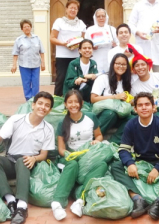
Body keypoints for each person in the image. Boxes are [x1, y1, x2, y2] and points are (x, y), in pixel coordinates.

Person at [110, 92, 159, 220]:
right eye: (140, 105)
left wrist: (157, 169)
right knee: (116, 166)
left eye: (147, 104)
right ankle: (138, 199)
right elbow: (123, 150)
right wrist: (130, 164)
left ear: (154, 107)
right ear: (135, 109)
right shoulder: (131, 125)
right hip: (140, 161)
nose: (144, 107)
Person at [0, 91, 55, 224]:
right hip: (11, 160)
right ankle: (10, 200)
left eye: (47, 105)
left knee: (23, 160)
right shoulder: (16, 120)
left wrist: (34, 159)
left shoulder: (48, 129)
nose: (43, 107)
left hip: (30, 163)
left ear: (49, 110)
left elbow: (43, 155)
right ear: (33, 105)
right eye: (40, 103)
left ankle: (22, 207)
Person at [50, 90, 104, 220]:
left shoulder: (90, 117)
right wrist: (68, 155)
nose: (73, 105)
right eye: (70, 102)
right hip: (71, 157)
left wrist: (97, 140)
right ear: (65, 104)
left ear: (81, 103)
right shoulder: (62, 123)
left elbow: (99, 135)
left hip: (88, 155)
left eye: (76, 102)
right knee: (73, 164)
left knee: (102, 164)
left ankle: (80, 201)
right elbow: (61, 149)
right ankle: (57, 203)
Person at [50, 0, 87, 96]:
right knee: (61, 79)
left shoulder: (81, 23)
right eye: (71, 8)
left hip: (76, 56)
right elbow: (52, 38)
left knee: (76, 79)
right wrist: (64, 43)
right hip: (62, 56)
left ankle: (75, 100)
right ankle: (57, 100)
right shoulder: (59, 22)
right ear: (66, 9)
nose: (73, 10)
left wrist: (78, 45)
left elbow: (83, 39)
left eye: (75, 8)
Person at [91, 53, 132, 135]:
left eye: (124, 64)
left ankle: (115, 140)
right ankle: (94, 137)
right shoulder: (103, 78)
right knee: (110, 113)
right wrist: (115, 97)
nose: (121, 66)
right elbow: (93, 99)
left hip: (121, 113)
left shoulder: (127, 80)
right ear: (113, 64)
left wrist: (130, 101)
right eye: (118, 64)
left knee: (132, 118)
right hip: (104, 114)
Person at [12, 19, 46, 101]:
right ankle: (28, 99)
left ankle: (35, 99)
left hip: (36, 64)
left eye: (28, 26)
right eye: (24, 27)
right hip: (24, 65)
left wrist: (43, 63)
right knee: (26, 83)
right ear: (22, 29)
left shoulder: (37, 38)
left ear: (31, 27)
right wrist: (14, 65)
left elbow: (41, 52)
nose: (27, 28)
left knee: (35, 83)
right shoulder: (19, 40)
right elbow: (15, 53)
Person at [84, 8, 118, 73]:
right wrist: (92, 47)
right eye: (98, 16)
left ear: (106, 17)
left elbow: (119, 43)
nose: (101, 18)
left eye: (103, 16)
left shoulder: (112, 29)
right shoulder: (90, 30)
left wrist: (115, 45)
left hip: (109, 54)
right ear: (95, 18)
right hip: (96, 55)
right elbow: (85, 44)